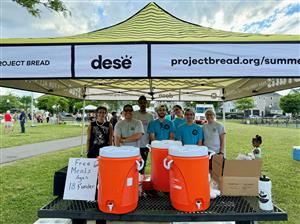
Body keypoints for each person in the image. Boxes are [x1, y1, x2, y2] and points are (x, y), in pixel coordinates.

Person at [133, 95, 154, 174]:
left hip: (145, 144)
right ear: (138, 104)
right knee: (135, 164)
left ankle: (141, 179)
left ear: (147, 103)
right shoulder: (134, 114)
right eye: (141, 103)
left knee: (144, 163)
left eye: (144, 103)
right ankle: (135, 179)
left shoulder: (150, 116)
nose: (143, 104)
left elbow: (151, 131)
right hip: (135, 144)